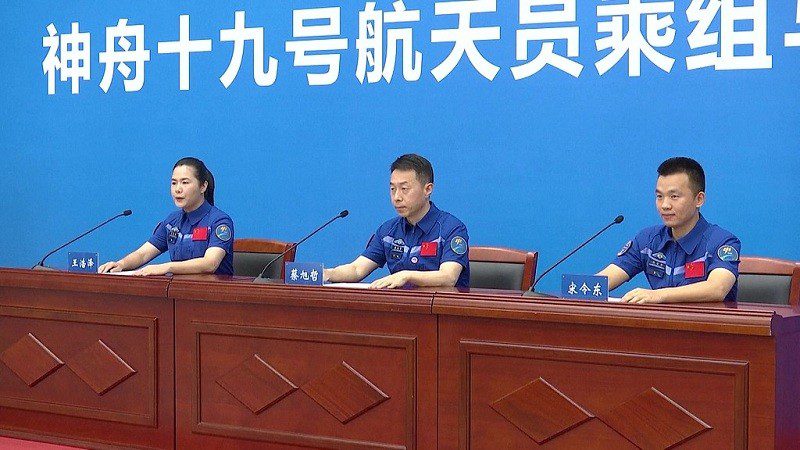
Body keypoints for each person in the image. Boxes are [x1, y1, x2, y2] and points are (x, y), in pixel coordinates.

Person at [597, 157, 740, 304]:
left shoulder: (722, 242)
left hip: (706, 319)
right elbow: (602, 282)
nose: (665, 205)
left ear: (699, 199)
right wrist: (581, 289)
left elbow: (717, 288)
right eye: (659, 196)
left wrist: (659, 295)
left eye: (674, 196)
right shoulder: (647, 241)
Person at [324, 154, 470, 289]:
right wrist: (326, 273)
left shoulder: (451, 228)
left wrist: (406, 276)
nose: (397, 197)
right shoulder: (388, 231)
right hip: (400, 307)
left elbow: (448, 277)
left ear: (428, 189)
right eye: (393, 189)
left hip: (440, 307)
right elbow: (356, 270)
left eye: (404, 189)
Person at [98, 157, 234, 276]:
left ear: (203, 186)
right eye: (174, 183)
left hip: (213, 294)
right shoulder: (172, 222)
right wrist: (121, 264)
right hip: (177, 292)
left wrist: (167, 267)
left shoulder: (219, 221)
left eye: (185, 182)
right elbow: (143, 254)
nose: (178, 189)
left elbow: (210, 263)